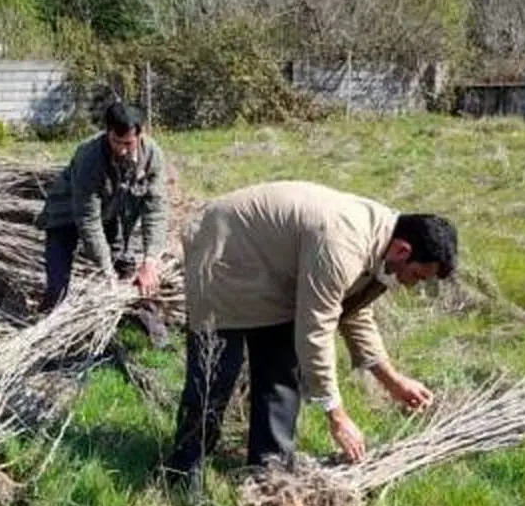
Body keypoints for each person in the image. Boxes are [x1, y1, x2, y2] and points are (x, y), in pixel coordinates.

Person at [162, 179, 458, 489]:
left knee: (281, 376)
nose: (413, 285)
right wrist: (337, 415)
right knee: (214, 377)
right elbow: (316, 329)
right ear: (403, 250)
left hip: (274, 276)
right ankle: (184, 473)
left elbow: (354, 313)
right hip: (225, 253)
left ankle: (269, 476)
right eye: (417, 276)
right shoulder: (343, 243)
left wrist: (393, 381)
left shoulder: (384, 247)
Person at [37, 101, 171, 340]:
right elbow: (87, 218)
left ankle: (152, 331)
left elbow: (156, 210)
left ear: (140, 134)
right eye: (116, 142)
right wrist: (105, 270)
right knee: (58, 284)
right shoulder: (89, 157)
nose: (121, 150)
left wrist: (151, 260)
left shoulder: (152, 156)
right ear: (107, 132)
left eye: (128, 144)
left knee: (132, 271)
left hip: (112, 211)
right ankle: (50, 335)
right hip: (67, 212)